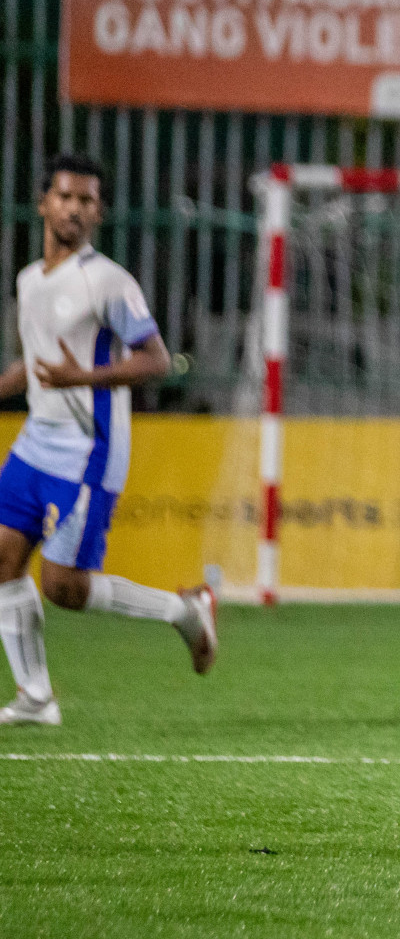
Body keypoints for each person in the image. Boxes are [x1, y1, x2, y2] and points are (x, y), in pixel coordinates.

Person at [0, 154, 217, 726]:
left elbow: (157, 359)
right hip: (35, 441)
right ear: (44, 203)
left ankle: (184, 610)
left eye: (86, 200)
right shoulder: (29, 280)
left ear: (99, 212)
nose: (74, 208)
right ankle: (36, 697)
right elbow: (36, 359)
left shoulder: (108, 282)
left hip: (88, 449)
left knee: (63, 587)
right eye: (65, 197)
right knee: (2, 558)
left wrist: (82, 379)